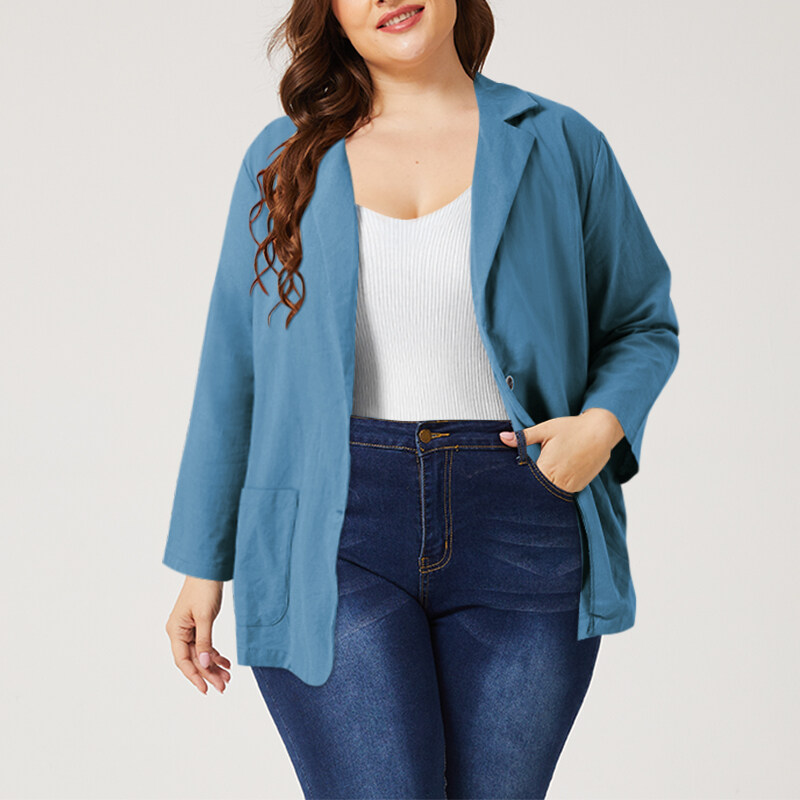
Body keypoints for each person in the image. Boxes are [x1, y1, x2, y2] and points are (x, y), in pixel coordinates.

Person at [163, 1, 680, 797]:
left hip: (523, 516)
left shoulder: (559, 141)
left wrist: (600, 428)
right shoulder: (283, 158)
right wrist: (203, 564)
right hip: (331, 528)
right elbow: (234, 367)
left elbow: (643, 322)